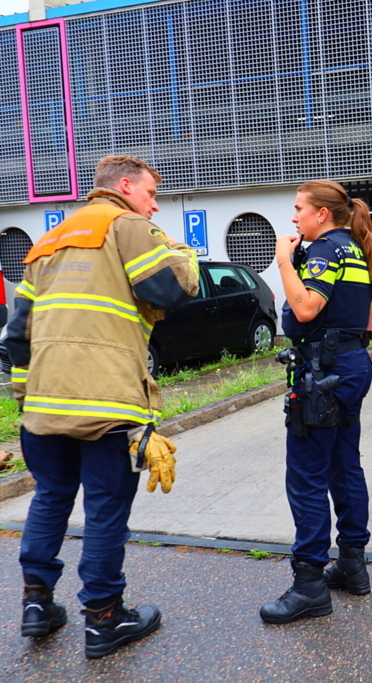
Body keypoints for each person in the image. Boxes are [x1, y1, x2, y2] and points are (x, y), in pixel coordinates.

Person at [10, 155, 199, 658]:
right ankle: (103, 620)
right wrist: (183, 253)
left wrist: (26, 399)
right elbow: (169, 289)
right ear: (124, 187)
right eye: (151, 194)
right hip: (107, 406)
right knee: (105, 510)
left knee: (50, 498)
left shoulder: (46, 242)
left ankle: (36, 606)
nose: (155, 205)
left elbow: (16, 334)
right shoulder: (128, 225)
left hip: (44, 407)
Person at [261, 180, 372, 624]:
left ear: (321, 214)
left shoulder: (324, 251)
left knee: (307, 476)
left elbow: (307, 309)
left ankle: (309, 585)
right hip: (351, 366)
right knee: (343, 464)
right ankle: (352, 565)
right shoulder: (356, 248)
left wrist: (282, 261)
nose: (294, 217)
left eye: (299, 209)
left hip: (323, 373)